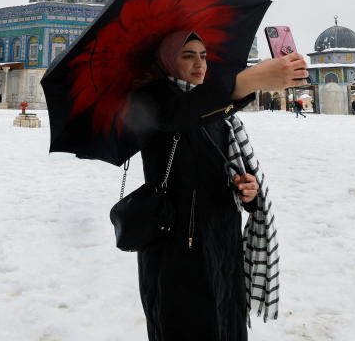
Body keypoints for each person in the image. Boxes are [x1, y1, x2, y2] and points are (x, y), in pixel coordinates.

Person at [128, 30, 307, 340]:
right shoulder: (151, 100)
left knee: (227, 325)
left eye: (204, 56)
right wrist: (248, 81)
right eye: (188, 56)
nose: (200, 65)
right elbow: (180, 118)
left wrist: (247, 191)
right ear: (167, 62)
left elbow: (232, 169)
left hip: (224, 245)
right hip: (176, 253)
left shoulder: (219, 114)